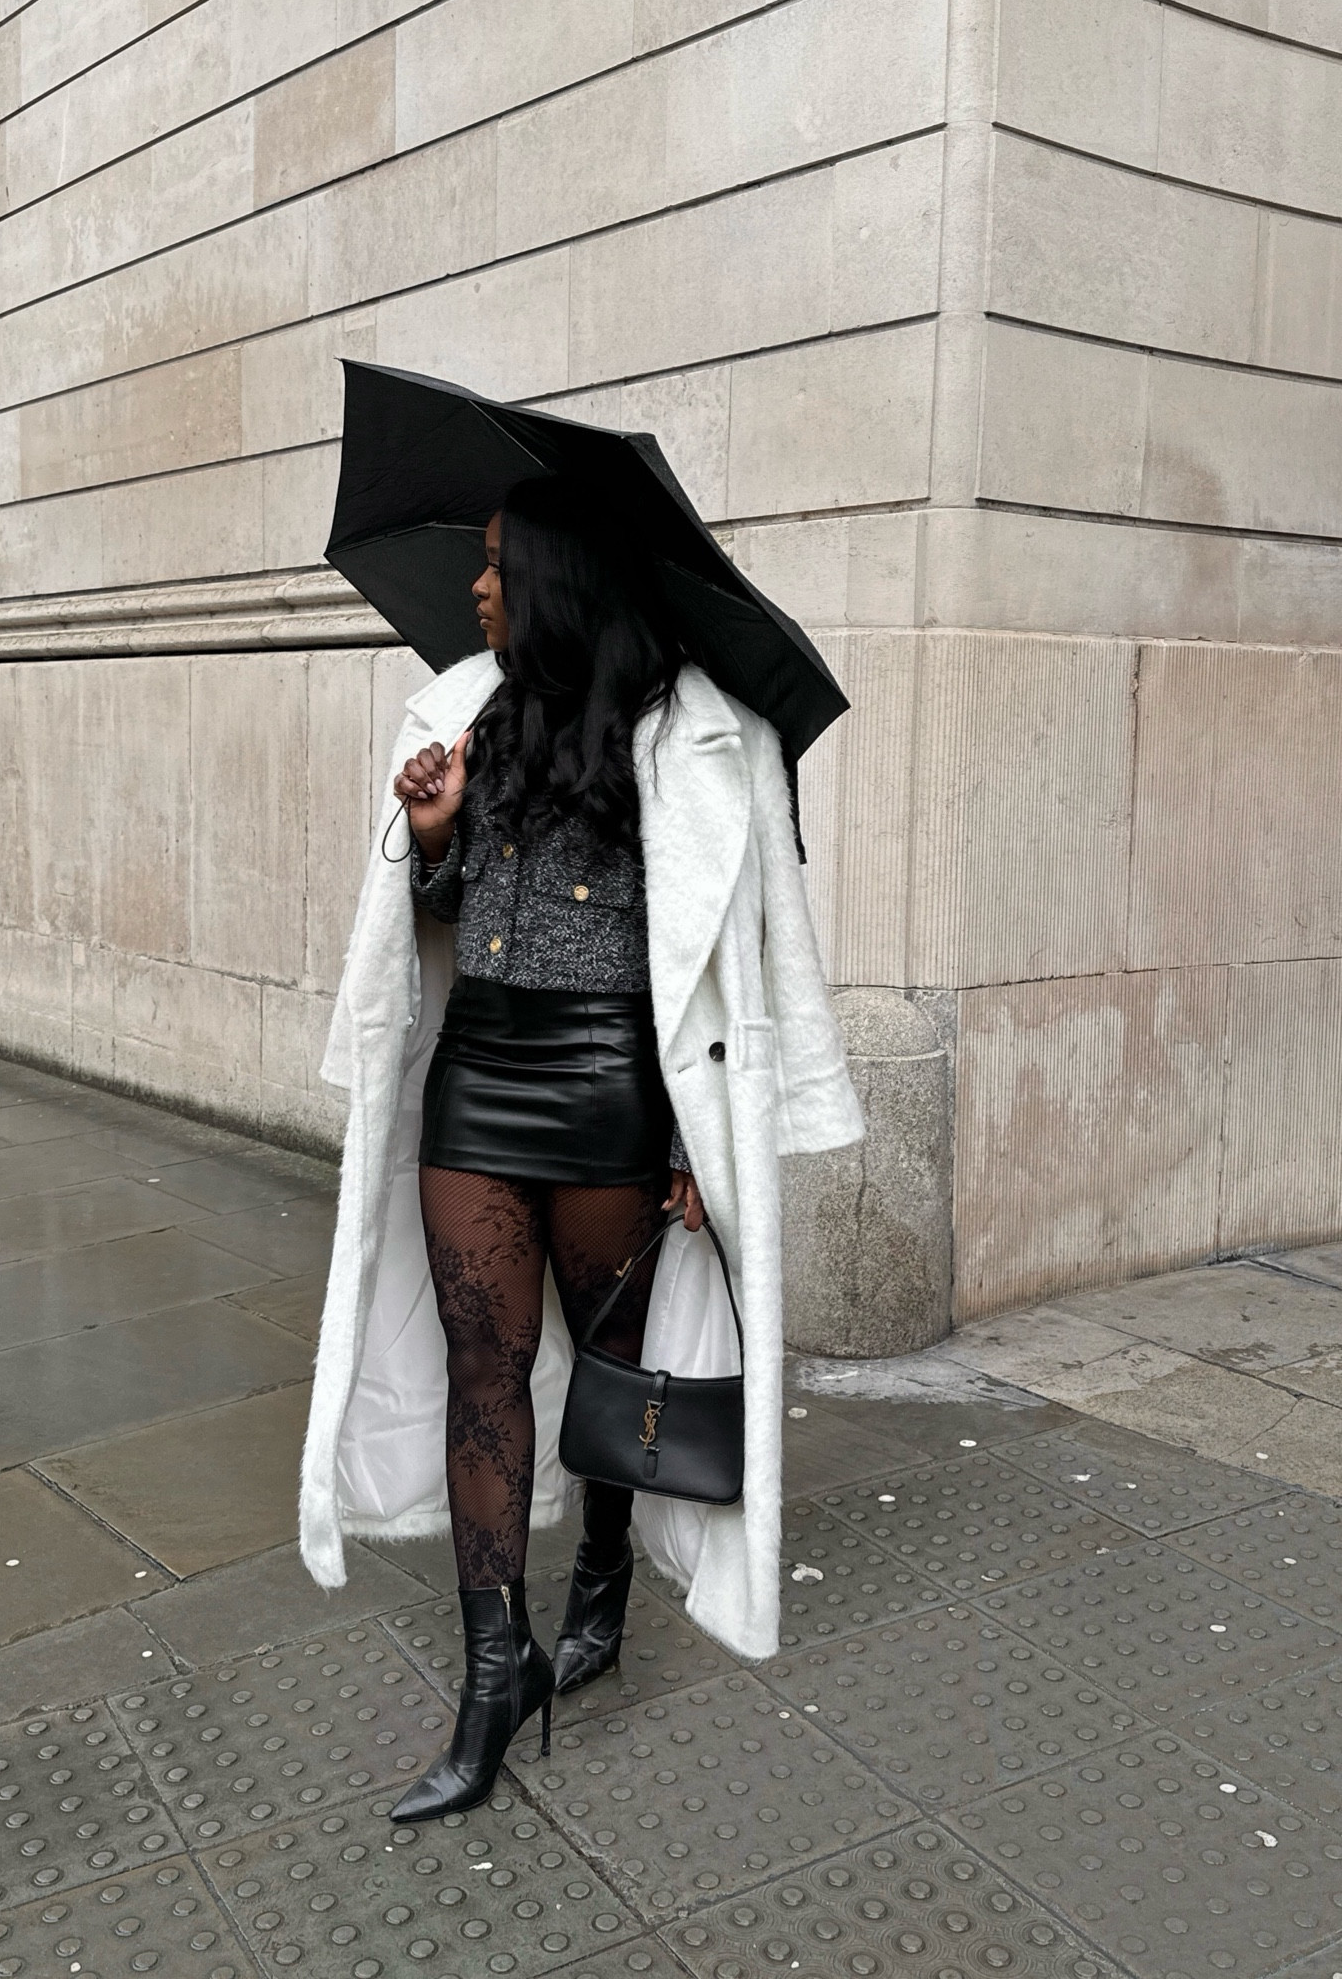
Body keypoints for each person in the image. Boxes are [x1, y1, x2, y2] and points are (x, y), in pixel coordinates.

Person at [298, 476, 864, 1825]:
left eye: (499, 567)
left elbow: (735, 960)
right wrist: (433, 841)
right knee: (480, 1375)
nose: (479, 590)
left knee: (613, 1370)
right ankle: (498, 1676)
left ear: (559, 580)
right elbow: (438, 911)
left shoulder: (699, 734)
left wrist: (696, 1138)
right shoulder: (464, 715)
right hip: (480, 1077)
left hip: (612, 1085)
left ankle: (602, 1565)